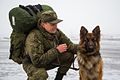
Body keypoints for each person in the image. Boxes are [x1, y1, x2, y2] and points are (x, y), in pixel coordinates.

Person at [22, 10, 78, 80]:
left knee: (69, 55)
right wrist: (56, 50)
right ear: (43, 24)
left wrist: (85, 49)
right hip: (31, 63)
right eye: (52, 24)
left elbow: (70, 45)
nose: (55, 26)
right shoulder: (34, 36)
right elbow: (37, 62)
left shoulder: (56, 32)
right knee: (40, 75)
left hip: (48, 59)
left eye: (56, 24)